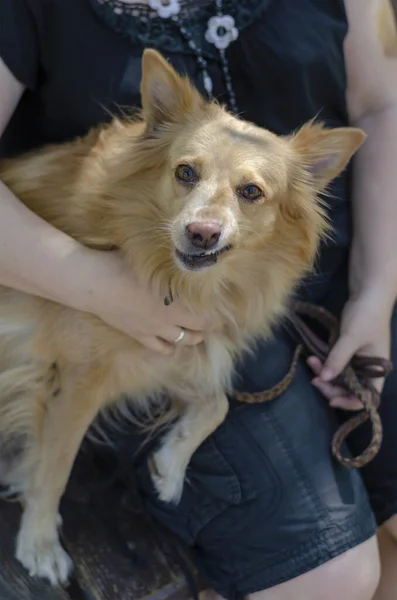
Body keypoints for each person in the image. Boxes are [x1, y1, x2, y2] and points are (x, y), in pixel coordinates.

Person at [0, 0, 397, 598]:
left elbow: (381, 103)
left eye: (248, 190)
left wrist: (377, 293)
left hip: (327, 284)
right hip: (130, 283)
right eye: (187, 173)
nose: (206, 217)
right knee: (339, 573)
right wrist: (100, 285)